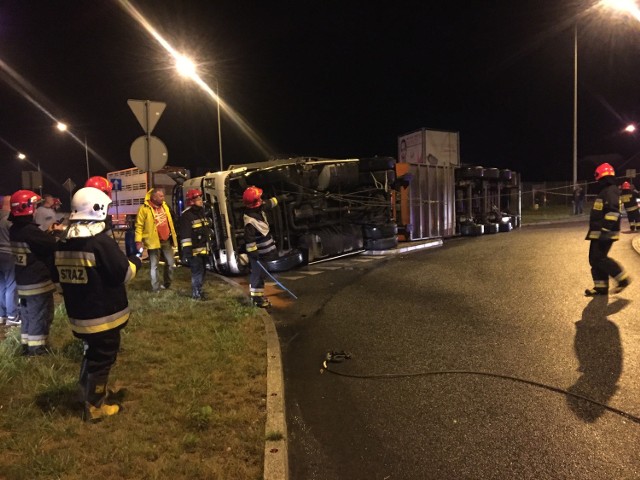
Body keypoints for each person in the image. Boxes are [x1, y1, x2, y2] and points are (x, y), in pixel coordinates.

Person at [54, 187, 141, 422]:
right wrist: (135, 262)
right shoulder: (100, 243)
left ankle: (85, 392)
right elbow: (122, 274)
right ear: (98, 209)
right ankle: (95, 406)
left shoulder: (63, 242)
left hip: (79, 315)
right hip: (104, 316)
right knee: (102, 358)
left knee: (91, 354)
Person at [9, 190, 57, 355]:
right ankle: (37, 350)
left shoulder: (15, 229)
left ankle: (27, 345)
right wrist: (54, 235)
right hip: (37, 283)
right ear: (27, 208)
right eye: (34, 206)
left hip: (23, 281)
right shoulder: (30, 231)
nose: (36, 210)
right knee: (40, 315)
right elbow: (51, 245)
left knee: (28, 315)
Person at [584, 163, 630, 296]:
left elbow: (613, 212)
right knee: (595, 259)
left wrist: (604, 229)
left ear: (600, 176)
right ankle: (601, 287)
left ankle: (622, 278)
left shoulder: (610, 190)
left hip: (604, 232)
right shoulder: (608, 190)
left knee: (598, 258)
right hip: (600, 231)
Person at [242, 186, 288, 308]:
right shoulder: (250, 222)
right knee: (258, 276)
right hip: (258, 256)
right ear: (255, 203)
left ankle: (258, 297)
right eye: (260, 199)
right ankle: (257, 300)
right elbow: (249, 241)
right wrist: (254, 254)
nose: (262, 200)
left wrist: (280, 198)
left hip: (263, 254)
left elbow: (269, 203)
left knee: (261, 275)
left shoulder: (258, 209)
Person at [134, 187, 177, 292]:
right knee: (154, 266)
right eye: (160, 196)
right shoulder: (144, 209)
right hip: (153, 242)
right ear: (153, 197)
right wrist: (138, 241)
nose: (163, 198)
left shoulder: (165, 206)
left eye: (163, 196)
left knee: (171, 263)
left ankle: (167, 284)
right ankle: (156, 288)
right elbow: (139, 226)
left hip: (166, 240)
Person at [178, 189, 212, 300]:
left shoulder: (201, 213)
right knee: (197, 273)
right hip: (194, 252)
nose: (200, 200)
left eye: (200, 198)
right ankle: (196, 294)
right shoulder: (186, 216)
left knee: (202, 272)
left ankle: (199, 291)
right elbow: (185, 236)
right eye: (198, 199)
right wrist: (187, 253)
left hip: (203, 250)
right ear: (191, 201)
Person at [0, 195, 19, 326]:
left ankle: (2, 314)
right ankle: (12, 316)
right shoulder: (9, 220)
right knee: (11, 285)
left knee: (1, 285)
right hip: (9, 254)